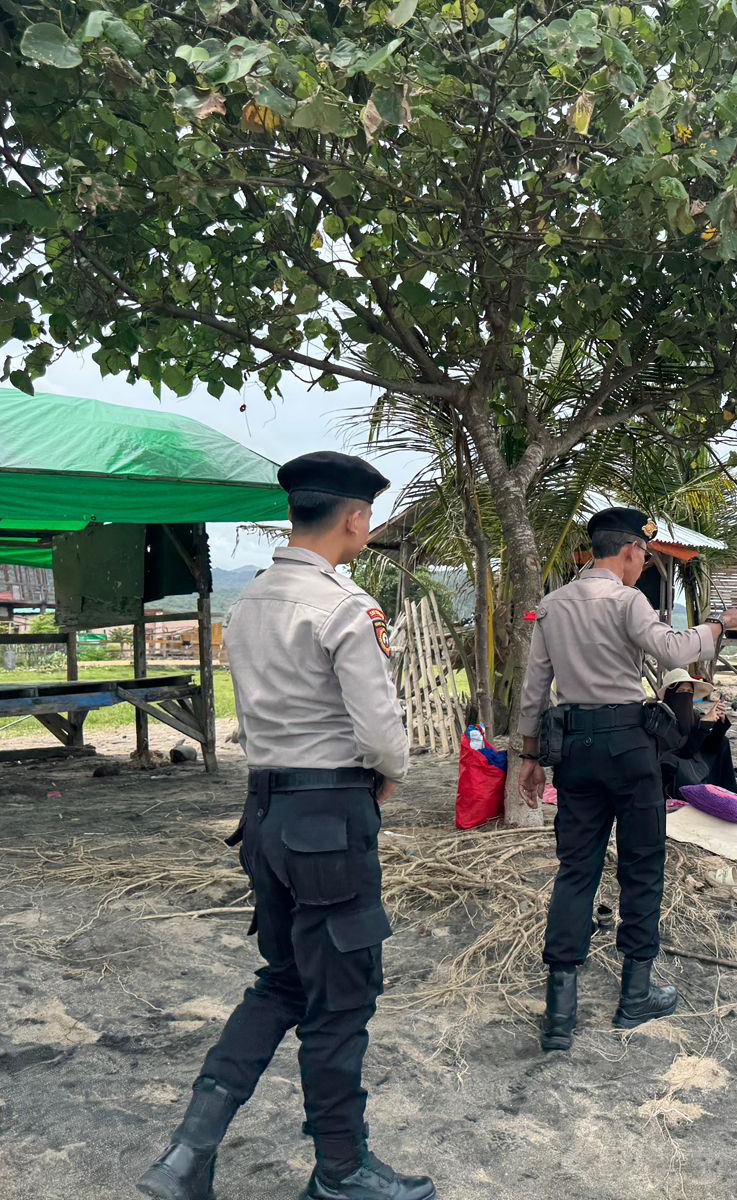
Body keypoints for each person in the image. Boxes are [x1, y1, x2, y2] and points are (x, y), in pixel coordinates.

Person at [138, 452, 434, 1200]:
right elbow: (381, 730)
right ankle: (341, 1168)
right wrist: (388, 774)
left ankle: (187, 1154)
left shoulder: (251, 603)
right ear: (355, 519)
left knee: (284, 981)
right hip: (329, 817)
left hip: (265, 815)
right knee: (342, 999)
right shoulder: (344, 605)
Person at [517, 507, 737, 1052]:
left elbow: (535, 688)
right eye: (644, 556)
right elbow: (673, 650)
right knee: (642, 865)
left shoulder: (553, 606)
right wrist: (719, 626)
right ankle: (635, 994)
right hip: (628, 745)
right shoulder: (628, 601)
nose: (642, 564)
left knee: (576, 870)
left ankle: (559, 1013)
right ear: (630, 550)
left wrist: (530, 756)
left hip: (574, 749)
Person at [658, 668, 737, 797]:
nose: (685, 695)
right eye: (681, 691)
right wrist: (703, 725)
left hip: (694, 763)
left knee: (723, 742)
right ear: (670, 694)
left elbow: (708, 746)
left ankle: (727, 792)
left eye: (689, 691)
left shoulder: (693, 714)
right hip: (674, 772)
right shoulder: (661, 718)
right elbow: (682, 752)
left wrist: (719, 723)